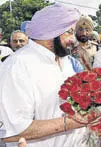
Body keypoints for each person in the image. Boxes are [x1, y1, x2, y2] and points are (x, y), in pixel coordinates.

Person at [0, 4, 90, 147]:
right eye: (69, 32)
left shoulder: (64, 59)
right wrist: (73, 123)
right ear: (50, 32)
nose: (73, 39)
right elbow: (10, 132)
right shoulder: (17, 66)